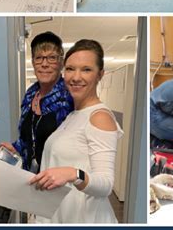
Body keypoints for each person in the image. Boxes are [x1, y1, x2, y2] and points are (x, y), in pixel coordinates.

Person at [30, 39, 123, 224]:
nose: (75, 77)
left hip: (83, 218)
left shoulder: (100, 117)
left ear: (100, 75)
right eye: (70, 69)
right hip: (59, 213)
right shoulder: (73, 115)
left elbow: (105, 185)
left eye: (86, 69)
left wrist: (74, 174)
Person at [0, 31, 74, 171]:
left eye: (51, 58)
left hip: (58, 180)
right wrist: (15, 147)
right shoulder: (30, 94)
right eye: (39, 58)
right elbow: (29, 138)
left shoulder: (70, 96)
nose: (44, 64)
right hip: (30, 178)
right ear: (33, 62)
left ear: (61, 63)